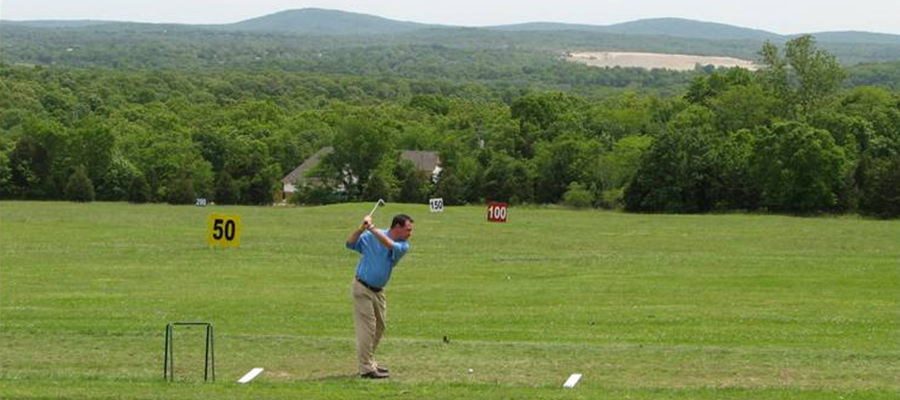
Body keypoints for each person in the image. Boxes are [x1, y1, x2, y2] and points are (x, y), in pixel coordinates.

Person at [345, 213, 414, 379]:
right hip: (362, 287)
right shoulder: (370, 235)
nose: (410, 233)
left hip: (378, 291)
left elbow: (388, 244)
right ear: (397, 227)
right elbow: (350, 243)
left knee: (379, 327)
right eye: (408, 229)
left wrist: (371, 228)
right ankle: (366, 368)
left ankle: (368, 362)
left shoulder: (402, 245)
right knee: (368, 328)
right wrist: (361, 228)